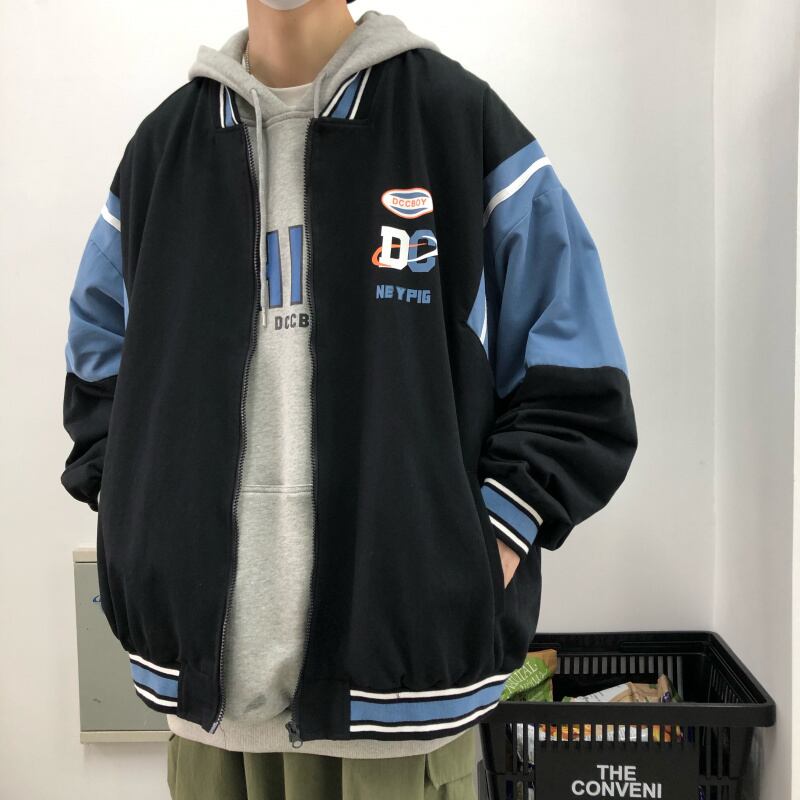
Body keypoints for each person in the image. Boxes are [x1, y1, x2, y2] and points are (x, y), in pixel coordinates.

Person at [60, 0, 638, 798]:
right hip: (207, 725)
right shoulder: (162, 155)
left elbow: (581, 386)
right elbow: (97, 376)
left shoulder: (457, 126)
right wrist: (138, 526)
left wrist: (479, 553)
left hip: (400, 714)